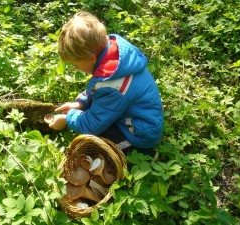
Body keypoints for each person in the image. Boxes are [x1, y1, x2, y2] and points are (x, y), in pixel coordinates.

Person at [46, 11, 163, 156]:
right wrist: (80, 103)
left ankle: (142, 154)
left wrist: (67, 119)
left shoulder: (114, 83)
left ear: (91, 59)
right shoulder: (114, 60)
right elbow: (98, 90)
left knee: (89, 151)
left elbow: (93, 124)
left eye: (76, 64)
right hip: (123, 115)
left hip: (136, 134)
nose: (75, 68)